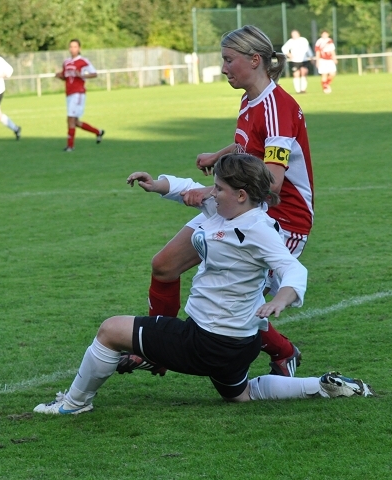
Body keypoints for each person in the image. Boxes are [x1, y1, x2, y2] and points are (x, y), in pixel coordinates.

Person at [33, 154, 373, 415]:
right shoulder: (229, 209)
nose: (212, 192)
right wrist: (158, 184)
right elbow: (189, 190)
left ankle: (74, 404)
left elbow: (293, 269)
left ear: (241, 194)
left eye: (219, 188)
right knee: (240, 395)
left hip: (208, 341)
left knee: (110, 331)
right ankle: (324, 386)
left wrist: (281, 299)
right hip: (240, 344)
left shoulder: (257, 228)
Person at [129, 25, 314, 379]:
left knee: (234, 307)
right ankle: (159, 347)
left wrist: (212, 191)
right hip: (237, 206)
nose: (224, 68)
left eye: (229, 60)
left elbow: (272, 183)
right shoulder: (250, 99)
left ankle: (284, 351)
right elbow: (250, 147)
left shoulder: (277, 109)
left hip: (279, 217)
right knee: (164, 265)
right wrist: (221, 153)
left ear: (254, 60)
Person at [56, 39, 104, 152]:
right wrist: (60, 76)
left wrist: (81, 75)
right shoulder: (66, 62)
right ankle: (98, 132)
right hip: (68, 93)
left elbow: (94, 74)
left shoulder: (83, 61)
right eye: (71, 47)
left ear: (79, 48)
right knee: (75, 122)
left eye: (75, 47)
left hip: (78, 93)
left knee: (70, 119)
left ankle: (70, 146)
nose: (73, 49)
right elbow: (66, 77)